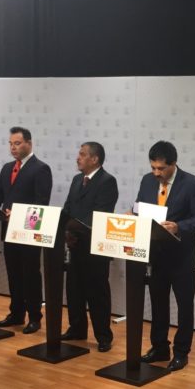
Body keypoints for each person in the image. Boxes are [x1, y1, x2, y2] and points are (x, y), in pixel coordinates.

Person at [135, 141, 195, 371]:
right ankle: (159, 347)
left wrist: (179, 227)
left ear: (174, 164)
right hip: (156, 254)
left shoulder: (193, 184)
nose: (156, 173)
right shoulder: (147, 181)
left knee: (184, 306)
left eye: (161, 168)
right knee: (158, 304)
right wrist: (133, 213)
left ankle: (181, 352)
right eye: (153, 168)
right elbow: (140, 208)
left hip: (182, 257)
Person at [0, 127, 53, 334]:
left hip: (29, 232)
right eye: (10, 144)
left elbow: (41, 203)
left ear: (29, 144)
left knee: (30, 274)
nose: (13, 147)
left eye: (17, 143)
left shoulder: (41, 169)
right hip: (9, 230)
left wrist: (18, 214)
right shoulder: (7, 168)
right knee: (13, 273)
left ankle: (34, 317)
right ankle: (16, 313)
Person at [61, 142, 119, 352]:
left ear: (95, 159)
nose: (78, 157)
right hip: (75, 245)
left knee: (97, 293)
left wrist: (75, 230)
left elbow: (100, 213)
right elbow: (68, 208)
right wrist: (65, 231)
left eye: (82, 154)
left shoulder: (107, 181)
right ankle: (77, 328)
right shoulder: (77, 180)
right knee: (74, 290)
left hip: (95, 247)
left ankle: (103, 336)